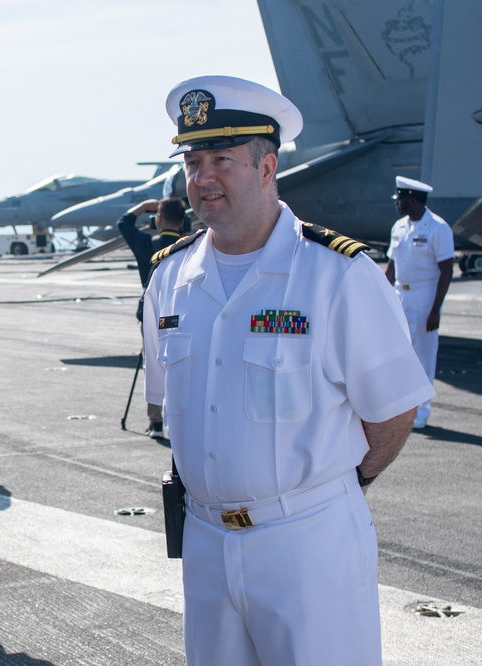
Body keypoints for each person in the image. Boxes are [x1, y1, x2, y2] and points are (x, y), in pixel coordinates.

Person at [142, 75, 435, 666]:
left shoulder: (336, 275)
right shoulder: (169, 279)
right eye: (193, 161)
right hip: (203, 541)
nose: (202, 178)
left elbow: (395, 408)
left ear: (267, 166)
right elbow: (164, 404)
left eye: (221, 159)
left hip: (309, 543)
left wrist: (327, 495)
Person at [384, 176, 454, 429]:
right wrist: (382, 298)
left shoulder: (438, 228)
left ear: (412, 199)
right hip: (399, 294)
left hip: (425, 297)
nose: (397, 203)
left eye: (400, 199)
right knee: (399, 355)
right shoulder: (399, 227)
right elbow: (392, 267)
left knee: (424, 357)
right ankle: (402, 408)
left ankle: (422, 411)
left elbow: (446, 271)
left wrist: (435, 310)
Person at [117, 196, 186, 439]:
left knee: (154, 365)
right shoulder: (191, 246)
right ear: (182, 221)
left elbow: (123, 223)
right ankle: (182, 417)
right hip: (183, 313)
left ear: (158, 219)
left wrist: (144, 207)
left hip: (152, 315)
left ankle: (156, 422)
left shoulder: (147, 243)